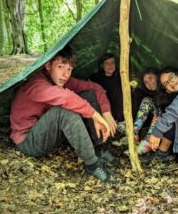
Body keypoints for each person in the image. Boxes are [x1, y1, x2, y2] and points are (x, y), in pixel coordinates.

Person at [10, 45, 117, 182]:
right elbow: (65, 98)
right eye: (60, 67)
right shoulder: (35, 83)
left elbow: (95, 88)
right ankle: (92, 165)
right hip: (29, 141)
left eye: (69, 69)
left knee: (88, 95)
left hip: (51, 133)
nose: (65, 74)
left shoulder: (62, 80)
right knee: (63, 112)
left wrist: (106, 112)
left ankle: (99, 149)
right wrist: (95, 115)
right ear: (48, 65)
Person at [90, 53, 125, 135]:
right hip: (104, 111)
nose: (110, 65)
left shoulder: (120, 76)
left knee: (118, 90)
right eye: (107, 63)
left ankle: (120, 122)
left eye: (112, 63)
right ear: (102, 65)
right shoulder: (96, 78)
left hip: (119, 111)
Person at [131, 68, 161, 154]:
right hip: (157, 115)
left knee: (159, 111)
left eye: (151, 78)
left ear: (158, 77)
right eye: (146, 82)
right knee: (147, 100)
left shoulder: (166, 88)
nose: (149, 84)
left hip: (168, 120)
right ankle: (134, 133)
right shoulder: (153, 93)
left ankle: (147, 142)